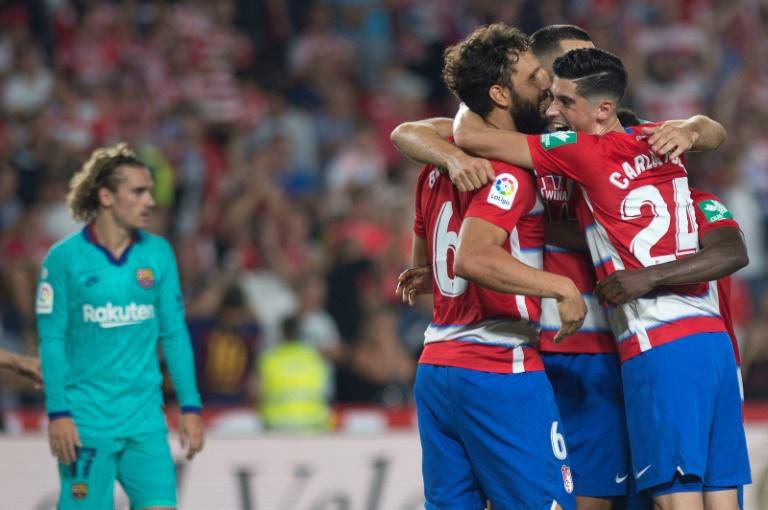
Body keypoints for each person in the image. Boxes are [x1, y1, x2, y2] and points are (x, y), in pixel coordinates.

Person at [391, 24, 729, 510]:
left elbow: (708, 132)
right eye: (556, 75)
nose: (569, 83)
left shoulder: (601, 136)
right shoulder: (511, 147)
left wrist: (693, 127)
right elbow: (415, 131)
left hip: (605, 344)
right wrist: (451, 156)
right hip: (535, 349)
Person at [396, 23, 585, 510]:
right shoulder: (508, 174)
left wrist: (433, 276)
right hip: (498, 364)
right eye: (532, 77)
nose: (545, 84)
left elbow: (427, 263)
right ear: (499, 94)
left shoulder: (437, 167)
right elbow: (473, 257)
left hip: (437, 367)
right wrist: (560, 287)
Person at [36, 143, 204, 510]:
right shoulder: (64, 260)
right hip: (86, 425)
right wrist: (58, 413)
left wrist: (190, 406)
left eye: (150, 191)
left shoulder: (158, 253)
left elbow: (174, 334)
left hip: (145, 422)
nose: (151, 201)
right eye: (139, 191)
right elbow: (51, 341)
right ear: (106, 196)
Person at [257, 315, 331, 432]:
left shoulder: (270, 359)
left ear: (281, 333)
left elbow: (256, 391)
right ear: (301, 333)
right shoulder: (316, 359)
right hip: (312, 427)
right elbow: (327, 394)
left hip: (277, 427)